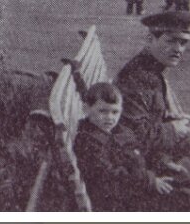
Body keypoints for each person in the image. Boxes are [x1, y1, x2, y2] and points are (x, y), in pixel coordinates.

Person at [115, 11, 190, 211]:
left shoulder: (151, 70)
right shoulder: (136, 78)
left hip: (156, 156)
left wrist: (173, 119)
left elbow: (148, 117)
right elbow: (135, 136)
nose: (178, 49)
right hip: (145, 167)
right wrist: (175, 129)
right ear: (150, 39)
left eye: (183, 43)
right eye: (171, 41)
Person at [73, 82, 175, 211]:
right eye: (103, 111)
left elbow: (138, 149)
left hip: (138, 181)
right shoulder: (89, 142)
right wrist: (149, 180)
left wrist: (161, 161)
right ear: (86, 109)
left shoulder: (116, 131)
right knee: (178, 198)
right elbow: (111, 176)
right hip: (118, 200)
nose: (109, 117)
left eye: (115, 112)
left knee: (181, 181)